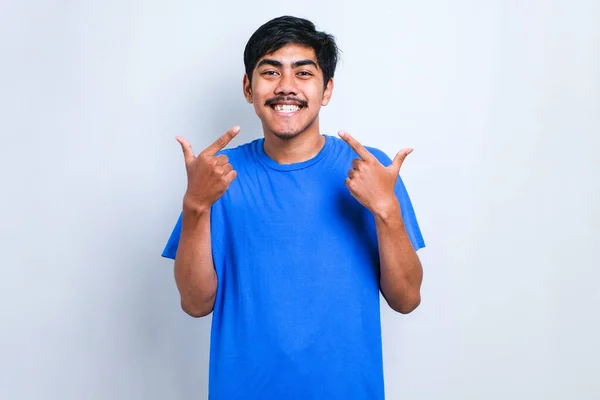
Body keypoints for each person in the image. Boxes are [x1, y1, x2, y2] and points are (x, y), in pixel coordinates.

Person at [161, 15, 425, 399]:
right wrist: (196, 204)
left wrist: (386, 209)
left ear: (327, 89)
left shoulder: (370, 170)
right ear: (249, 88)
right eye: (270, 72)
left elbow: (407, 299)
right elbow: (195, 303)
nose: (286, 87)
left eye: (303, 73)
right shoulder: (218, 176)